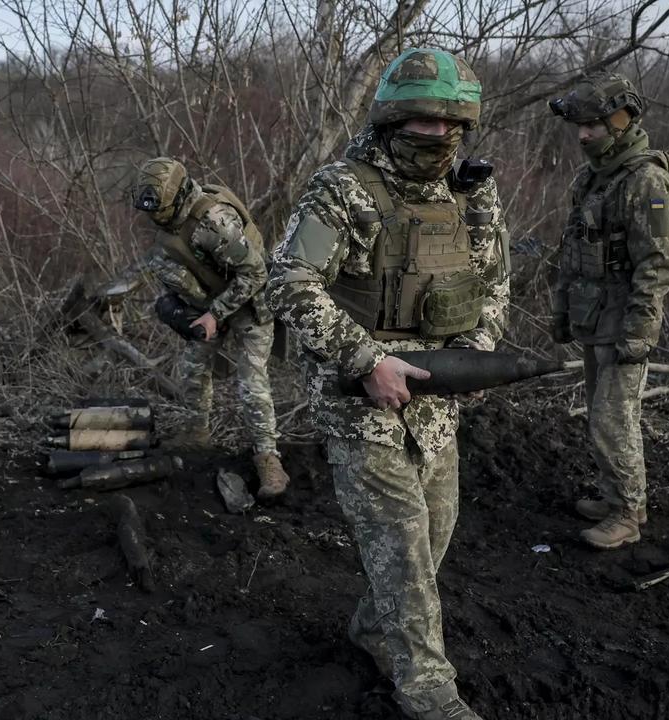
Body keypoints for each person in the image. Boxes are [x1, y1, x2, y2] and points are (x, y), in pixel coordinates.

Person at [266, 48, 509, 720]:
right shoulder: (342, 188)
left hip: (439, 398)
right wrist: (364, 360)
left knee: (434, 538)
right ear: (391, 118)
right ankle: (428, 688)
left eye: (449, 124)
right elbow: (286, 280)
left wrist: (478, 353)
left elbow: (492, 283)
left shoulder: (469, 191)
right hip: (360, 400)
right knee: (401, 551)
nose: (435, 136)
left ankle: (376, 631)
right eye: (421, 123)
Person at [547, 72, 669, 549]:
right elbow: (572, 251)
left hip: (623, 322)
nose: (583, 135)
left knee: (612, 418)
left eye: (593, 126)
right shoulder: (592, 180)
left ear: (620, 122)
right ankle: (621, 498)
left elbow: (657, 265)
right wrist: (562, 309)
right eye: (579, 126)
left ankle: (627, 514)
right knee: (602, 415)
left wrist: (640, 332)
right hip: (594, 318)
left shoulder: (646, 181)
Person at [133, 157, 289, 498]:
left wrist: (216, 314)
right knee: (192, 366)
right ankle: (196, 432)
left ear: (177, 196)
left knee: (251, 382)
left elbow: (256, 273)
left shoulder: (214, 220)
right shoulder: (170, 225)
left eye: (159, 210)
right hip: (209, 302)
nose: (154, 219)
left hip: (250, 302)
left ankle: (268, 457)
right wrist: (177, 308)